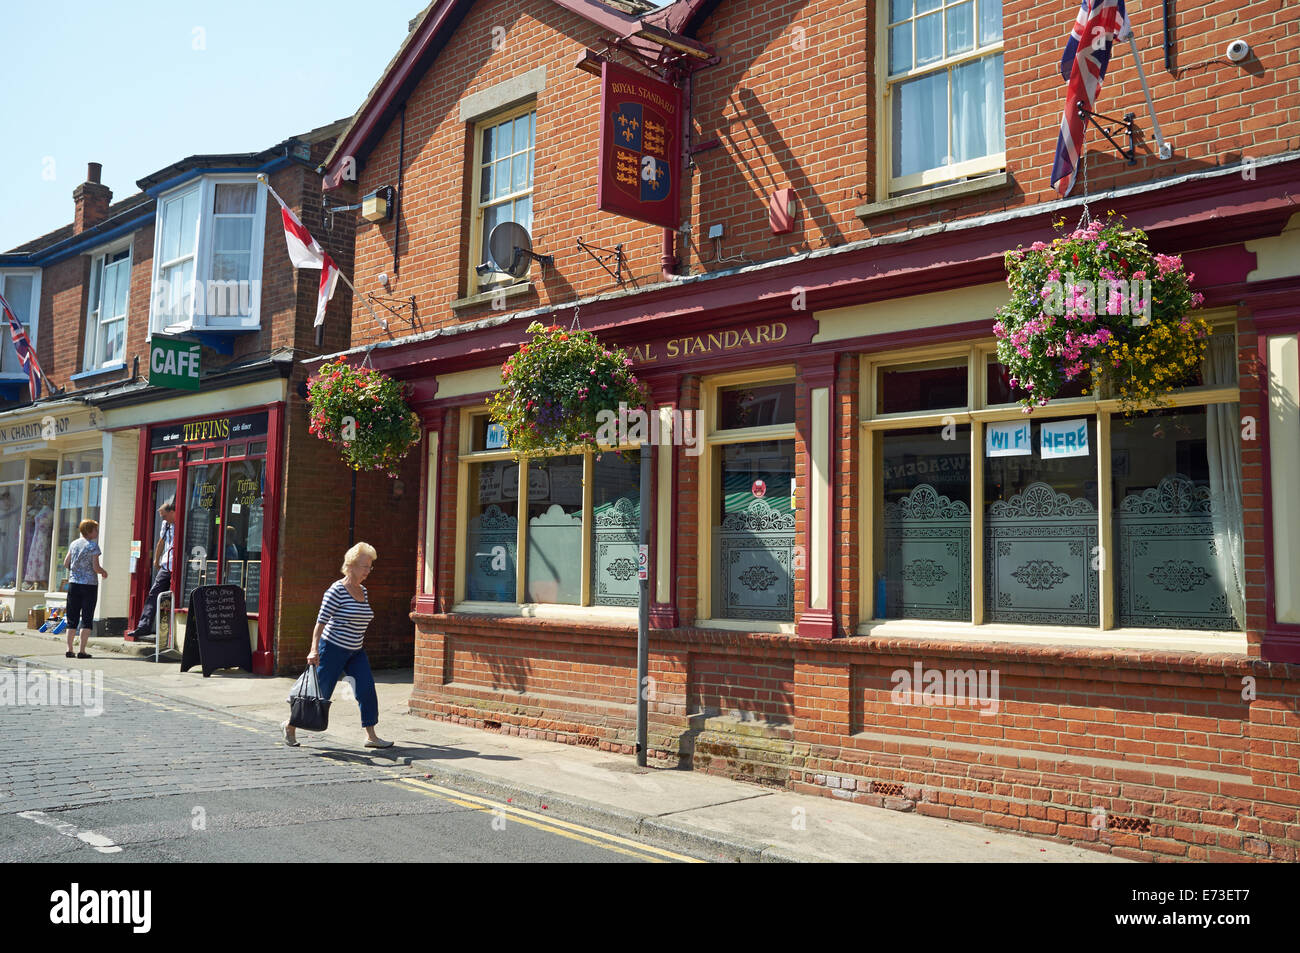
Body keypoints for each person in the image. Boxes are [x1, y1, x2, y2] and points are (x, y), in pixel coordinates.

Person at [282, 542, 392, 749]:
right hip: (331, 649)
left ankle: (371, 736)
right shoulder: (336, 590)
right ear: (351, 565)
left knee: (366, 690)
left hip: (356, 651)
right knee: (319, 694)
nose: (368, 571)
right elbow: (320, 622)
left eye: (370, 566)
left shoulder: (363, 591)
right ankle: (290, 726)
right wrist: (314, 649)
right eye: (364, 566)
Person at [126, 499, 175, 643]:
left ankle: (170, 634)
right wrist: (156, 559)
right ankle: (144, 626)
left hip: (180, 566)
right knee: (154, 593)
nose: (163, 519)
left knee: (173, 598)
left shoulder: (182, 522)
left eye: (164, 516)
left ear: (172, 512)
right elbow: (161, 541)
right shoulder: (166, 524)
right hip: (167, 565)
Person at [62, 519, 108, 659]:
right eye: (95, 529)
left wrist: (76, 571)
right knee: (87, 618)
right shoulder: (93, 546)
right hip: (89, 586)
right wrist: (103, 572)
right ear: (89, 531)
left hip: (74, 584)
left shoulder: (74, 544)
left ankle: (69, 649)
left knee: (72, 618)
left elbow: (66, 563)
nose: (97, 532)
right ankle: (82, 651)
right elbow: (95, 567)